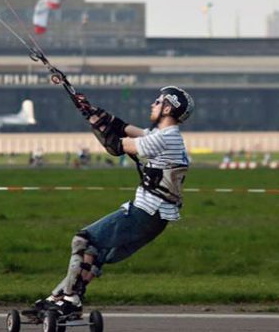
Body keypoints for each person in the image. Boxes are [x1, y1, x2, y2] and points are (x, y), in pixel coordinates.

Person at [35, 86, 194, 316]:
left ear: (168, 108)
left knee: (82, 239)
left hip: (144, 213)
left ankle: (69, 299)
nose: (153, 104)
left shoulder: (162, 139)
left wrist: (94, 122)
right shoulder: (168, 137)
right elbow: (125, 129)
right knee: (95, 253)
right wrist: (96, 112)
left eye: (157, 102)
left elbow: (115, 146)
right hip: (156, 218)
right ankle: (61, 296)